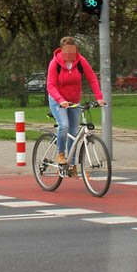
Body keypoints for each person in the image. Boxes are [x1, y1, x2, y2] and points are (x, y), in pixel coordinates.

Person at [46, 36, 104, 176]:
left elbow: (92, 78)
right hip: (58, 100)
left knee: (74, 132)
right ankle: (60, 154)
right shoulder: (55, 63)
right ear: (62, 50)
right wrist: (60, 100)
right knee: (64, 126)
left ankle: (71, 164)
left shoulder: (80, 61)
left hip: (74, 101)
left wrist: (99, 98)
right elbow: (51, 85)